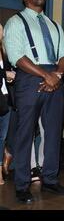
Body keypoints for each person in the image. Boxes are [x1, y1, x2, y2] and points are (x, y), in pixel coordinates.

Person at [3, 0, 64, 203]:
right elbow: (16, 56)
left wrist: (57, 75)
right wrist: (45, 76)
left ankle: (50, 179)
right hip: (30, 77)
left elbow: (63, 55)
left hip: (55, 78)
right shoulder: (15, 22)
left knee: (53, 132)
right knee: (25, 133)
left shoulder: (54, 25)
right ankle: (22, 185)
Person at [0, 23, 15, 185]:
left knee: (3, 137)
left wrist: (8, 76)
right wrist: (6, 74)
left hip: (6, 100)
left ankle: (6, 157)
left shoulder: (5, 52)